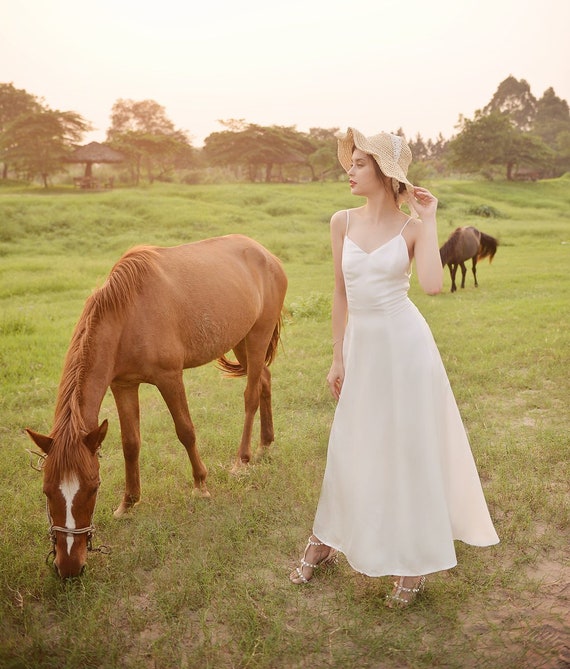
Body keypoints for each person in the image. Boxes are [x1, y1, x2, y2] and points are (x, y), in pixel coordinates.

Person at [289, 128, 499, 607]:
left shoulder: (411, 228)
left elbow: (430, 286)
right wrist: (337, 355)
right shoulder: (340, 222)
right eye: (352, 163)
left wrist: (429, 219)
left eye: (360, 164)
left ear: (385, 174)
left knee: (406, 450)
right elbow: (340, 295)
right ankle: (325, 540)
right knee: (350, 443)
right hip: (362, 347)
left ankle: (412, 564)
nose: (350, 170)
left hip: (404, 348)